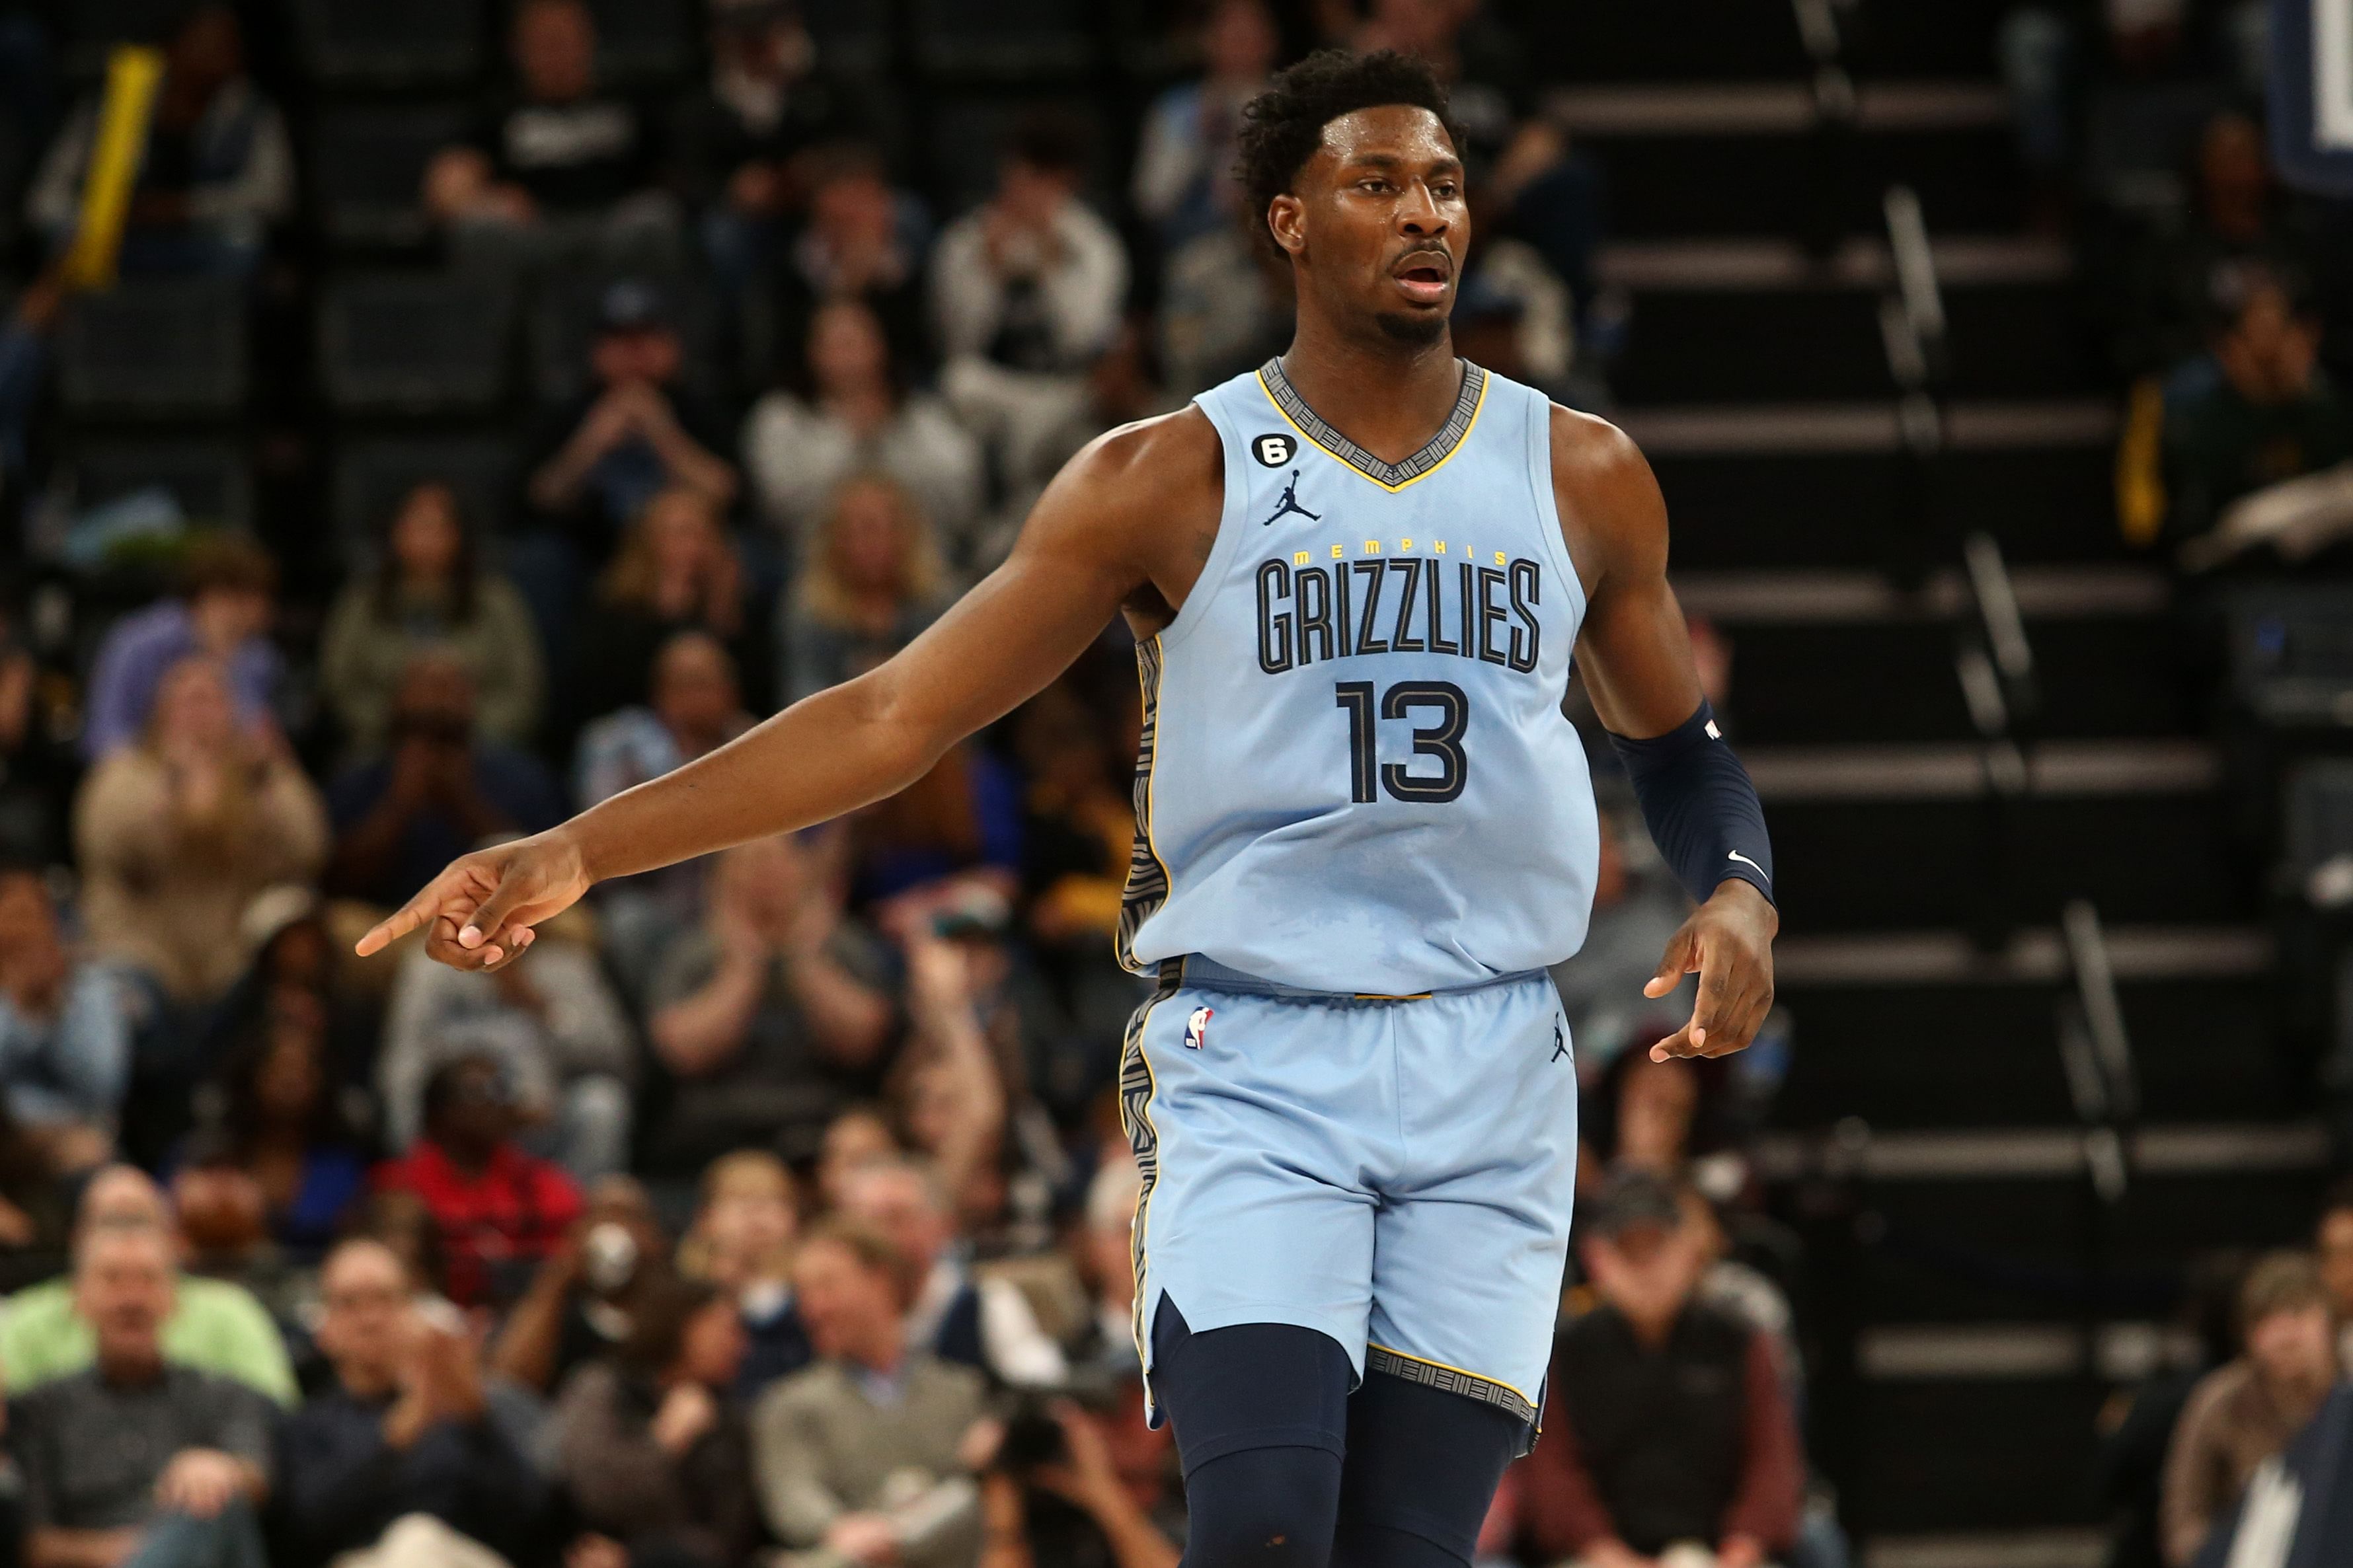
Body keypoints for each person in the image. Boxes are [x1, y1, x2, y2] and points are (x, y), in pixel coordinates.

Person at [359, 49, 1780, 1568]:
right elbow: (892, 716)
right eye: (1377, 183)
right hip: (1261, 1054)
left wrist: (1736, 887)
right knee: (1262, 1536)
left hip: (1492, 1055)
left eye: (1440, 183)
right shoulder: (1163, 477)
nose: (1426, 213)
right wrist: (582, 842)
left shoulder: (1580, 472)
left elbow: (1676, 746)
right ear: (1288, 221)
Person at [1522, 1172, 1803, 1568]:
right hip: (1600, 1557)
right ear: (1596, 1257)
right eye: (1628, 1251)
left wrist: (1742, 1549)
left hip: (1723, 1552)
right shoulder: (1564, 1348)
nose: (1646, 1268)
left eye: (1657, 1247)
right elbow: (1552, 1475)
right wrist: (1608, 1555)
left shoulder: (1740, 1338)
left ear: (1689, 1249)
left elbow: (1773, 1462)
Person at [9, 1222, 276, 1568]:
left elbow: (257, 1476)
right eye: (112, 1280)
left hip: (206, 1545)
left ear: (174, 1299)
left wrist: (222, 1468)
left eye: (148, 1280)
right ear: (79, 1298)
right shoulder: (40, 1410)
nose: (131, 1299)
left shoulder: (222, 1393)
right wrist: (132, 1553)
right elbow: (35, 1545)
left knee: (214, 1503)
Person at [275, 1237, 547, 1568]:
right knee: (412, 1542)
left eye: (385, 1299)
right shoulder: (307, 1425)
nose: (370, 1319)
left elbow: (536, 1524)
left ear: (415, 1311)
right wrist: (393, 1438)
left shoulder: (477, 1408)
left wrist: (480, 1423)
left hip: (466, 1559)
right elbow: (303, 1532)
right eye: (349, 1304)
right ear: (324, 1328)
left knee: (419, 1540)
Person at [75, 654, 328, 1006]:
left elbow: (310, 849)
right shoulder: (125, 771)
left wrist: (263, 785)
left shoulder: (261, 775)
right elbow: (107, 840)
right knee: (117, 998)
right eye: (186, 701)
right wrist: (174, 791)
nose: (198, 714)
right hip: (143, 956)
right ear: (159, 714)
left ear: (233, 714)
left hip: (238, 959)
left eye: (210, 700)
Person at [642, 832, 895, 1173]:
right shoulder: (692, 952)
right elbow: (681, 1054)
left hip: (823, 1117)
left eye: (778, 861)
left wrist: (806, 957)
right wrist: (745, 963)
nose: (766, 877)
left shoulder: (843, 945)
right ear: (722, 879)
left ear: (803, 872)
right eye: (750, 864)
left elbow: (863, 1045)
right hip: (718, 1124)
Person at [750, 1220, 993, 1568]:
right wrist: (838, 1527)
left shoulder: (960, 1390)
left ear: (880, 1281)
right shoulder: (789, 1402)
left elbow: (978, 1501)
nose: (814, 1308)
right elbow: (791, 1491)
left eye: (827, 1286)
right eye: (803, 1293)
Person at [25, 2, 291, 278]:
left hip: (200, 242)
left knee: (243, 241)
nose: (219, 53)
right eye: (205, 42)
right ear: (172, 48)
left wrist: (184, 208)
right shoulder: (111, 106)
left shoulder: (250, 110)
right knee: (63, 239)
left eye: (228, 43)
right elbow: (44, 201)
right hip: (119, 243)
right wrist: (104, 217)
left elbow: (274, 197)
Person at [379, 901, 635, 1181]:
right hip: (459, 1122)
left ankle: (571, 1214)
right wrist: (411, 1144)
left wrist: (544, 1009)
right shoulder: (433, 967)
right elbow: (405, 1059)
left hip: (539, 1120)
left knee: (601, 1102)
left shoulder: (567, 966)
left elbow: (615, 1058)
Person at [0, 1166, 297, 1403]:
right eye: (110, 1223)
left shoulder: (231, 1312)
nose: (130, 1296)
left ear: (175, 1240)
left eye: (139, 1222)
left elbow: (274, 1414)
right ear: (77, 1241)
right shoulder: (25, 1318)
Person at [744, 297, 986, 559]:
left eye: (855, 340)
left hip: (923, 565)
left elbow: (963, 502)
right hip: (816, 565)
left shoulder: (925, 415)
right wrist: (851, 438)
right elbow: (779, 507)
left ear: (881, 346)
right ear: (812, 353)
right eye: (835, 343)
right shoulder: (781, 417)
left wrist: (886, 434)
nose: (848, 355)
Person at [320, 480, 546, 757]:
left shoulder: (498, 601)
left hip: (483, 750)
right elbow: (340, 687)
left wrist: (462, 727)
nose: (427, 539)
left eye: (439, 528)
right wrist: (400, 725)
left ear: (460, 535)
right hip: (381, 749)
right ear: (394, 532)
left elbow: (523, 691)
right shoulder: (360, 602)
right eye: (417, 526)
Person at [525, 283, 740, 575]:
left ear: (671, 345)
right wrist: (594, 440)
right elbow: (542, 499)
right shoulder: (569, 410)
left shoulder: (699, 407)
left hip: (684, 544)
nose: (633, 353)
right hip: (590, 548)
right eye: (620, 340)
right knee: (541, 559)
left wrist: (662, 433)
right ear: (596, 351)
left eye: (645, 338)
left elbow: (725, 495)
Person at [327, 653, 567, 910]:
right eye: (419, 728)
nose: (433, 751)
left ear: (471, 705)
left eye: (447, 735)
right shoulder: (358, 778)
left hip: (504, 915)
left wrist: (465, 803)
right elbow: (337, 883)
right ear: (395, 708)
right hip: (387, 917)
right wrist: (399, 806)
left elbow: (551, 870)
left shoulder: (521, 777)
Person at [553, 1277, 761, 1568]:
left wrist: (638, 1560)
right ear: (682, 1324)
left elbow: (730, 1538)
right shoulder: (602, 1388)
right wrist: (664, 1442)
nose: (742, 1346)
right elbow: (596, 1493)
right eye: (727, 1329)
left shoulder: (731, 1416)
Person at [2159, 1251, 2344, 1566]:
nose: (2285, 1335)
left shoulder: (2348, 1395)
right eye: (2266, 1320)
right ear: (2246, 1335)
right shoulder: (2218, 1402)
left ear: (2331, 1321)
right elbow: (2182, 1525)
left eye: (2298, 1313)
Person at [422, 0, 660, 235]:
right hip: (532, 240)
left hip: (615, 236)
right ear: (518, 50)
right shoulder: (499, 114)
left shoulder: (628, 105)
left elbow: (673, 184)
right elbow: (446, 191)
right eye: (545, 44)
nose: (557, 56)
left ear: (591, 41)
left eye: (567, 42)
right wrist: (491, 202)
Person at [371, 1055, 585, 1310]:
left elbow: (574, 1248)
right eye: (479, 1093)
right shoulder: (399, 1186)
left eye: (503, 1091)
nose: (498, 1104)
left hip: (527, 1317)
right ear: (439, 1110)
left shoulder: (543, 1183)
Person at [841, 1158, 1065, 1388]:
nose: (878, 1237)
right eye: (865, 1223)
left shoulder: (987, 1304)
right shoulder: (827, 1312)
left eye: (896, 1218)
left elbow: (1041, 1387)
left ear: (942, 1227)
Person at [565, 487, 768, 735]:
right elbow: (601, 698)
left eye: (702, 535)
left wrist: (725, 616)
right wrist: (664, 618)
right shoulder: (615, 610)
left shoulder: (740, 607)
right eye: (679, 535)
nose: (692, 548)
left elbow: (762, 699)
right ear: (645, 543)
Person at [187, 993, 370, 1257]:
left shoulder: (344, 1165)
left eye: (302, 1072)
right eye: (279, 1069)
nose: (291, 1082)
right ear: (252, 1077)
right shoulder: (206, 1156)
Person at [81, 535, 280, 762]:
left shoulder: (259, 656)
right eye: (257, 599)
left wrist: (223, 658)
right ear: (216, 594)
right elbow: (102, 736)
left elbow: (257, 735)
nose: (267, 614)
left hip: (225, 771)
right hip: (146, 765)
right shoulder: (139, 641)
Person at [783, 472, 953, 703]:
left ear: (907, 535)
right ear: (834, 541)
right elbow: (801, 704)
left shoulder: (940, 606)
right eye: (854, 531)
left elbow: (965, 703)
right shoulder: (809, 616)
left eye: (878, 528)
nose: (867, 544)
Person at [0, 866, 129, 1164]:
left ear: (53, 925)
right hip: (7, 1135)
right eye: (9, 919)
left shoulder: (92, 987)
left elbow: (103, 1087)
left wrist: (52, 1010)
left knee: (101, 1165)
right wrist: (22, 1013)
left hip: (74, 1135)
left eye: (29, 917)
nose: (21, 931)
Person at [678, 1149, 813, 1400]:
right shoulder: (682, 1297)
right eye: (738, 1199)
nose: (756, 1211)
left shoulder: (813, 1296)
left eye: (774, 1200)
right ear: (705, 1218)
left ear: (795, 1218)